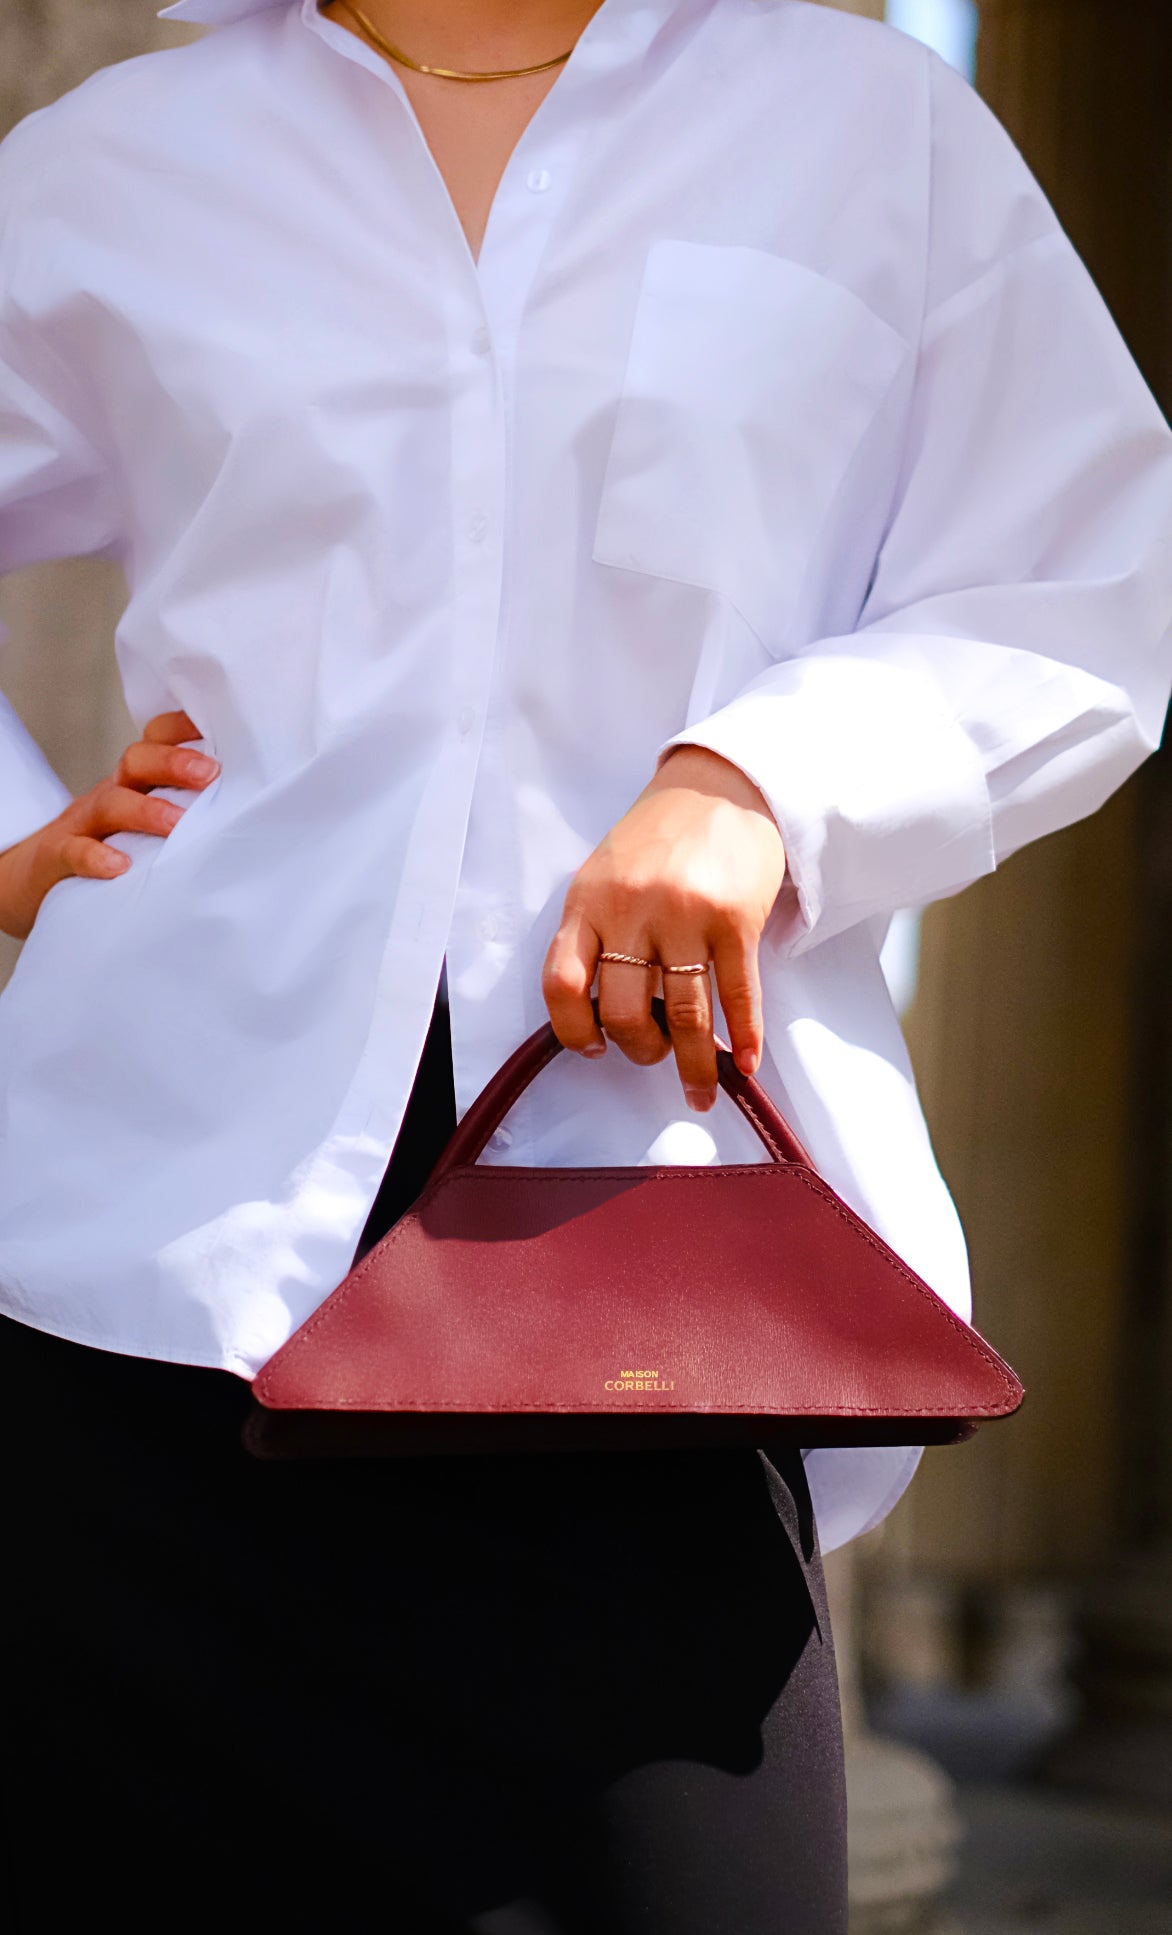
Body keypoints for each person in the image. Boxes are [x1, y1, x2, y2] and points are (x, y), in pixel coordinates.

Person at [1, 0, 1170, 1926]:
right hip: (149, 1268)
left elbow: (1085, 577)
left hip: (652, 1267)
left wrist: (767, 779)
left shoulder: (866, 125)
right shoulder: (120, 154)